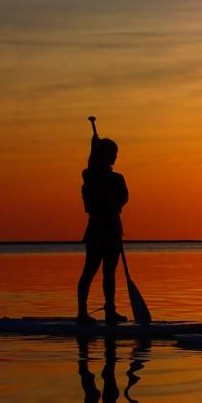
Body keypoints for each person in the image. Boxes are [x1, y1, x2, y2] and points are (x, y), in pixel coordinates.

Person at [77, 133, 129, 325]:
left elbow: (123, 198)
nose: (115, 157)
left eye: (116, 153)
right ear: (103, 155)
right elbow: (90, 201)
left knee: (110, 272)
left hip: (113, 229)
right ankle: (82, 312)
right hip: (97, 231)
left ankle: (110, 310)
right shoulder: (91, 177)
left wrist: (113, 202)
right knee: (90, 270)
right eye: (112, 153)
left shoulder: (116, 178)